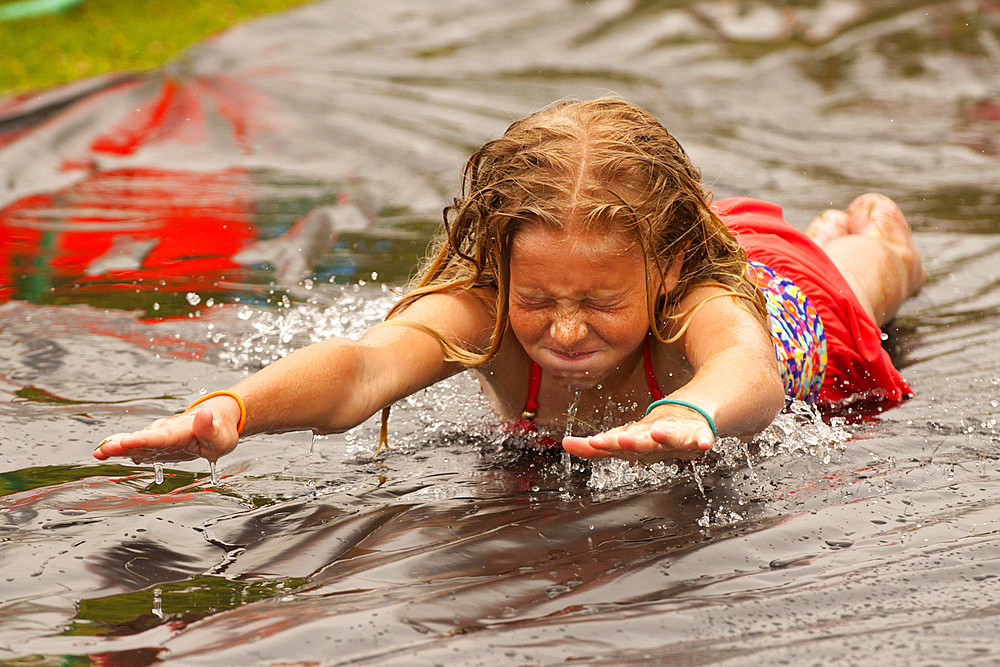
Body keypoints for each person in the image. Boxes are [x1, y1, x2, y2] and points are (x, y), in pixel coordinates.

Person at [92, 98, 925, 467]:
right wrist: (234, 408)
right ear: (499, 265)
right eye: (538, 299)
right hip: (637, 252)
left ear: (667, 268)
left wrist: (688, 409)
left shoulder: (697, 303)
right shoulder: (485, 311)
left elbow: (749, 369)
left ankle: (879, 246)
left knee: (855, 285)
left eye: (595, 304)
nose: (563, 330)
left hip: (787, 304)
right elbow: (360, 368)